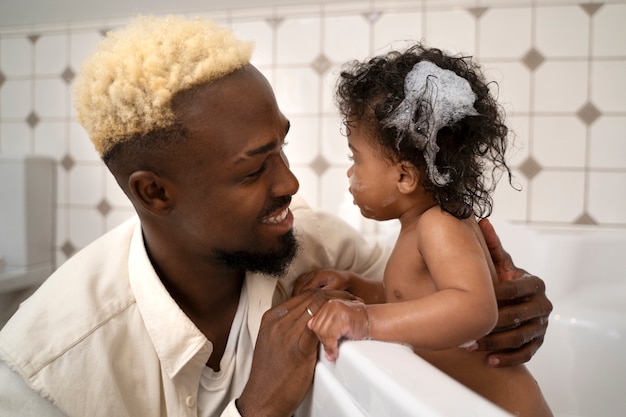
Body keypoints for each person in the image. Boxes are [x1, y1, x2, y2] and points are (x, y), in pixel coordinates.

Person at [0, 16, 552, 417]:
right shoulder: (47, 374)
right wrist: (256, 411)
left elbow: (429, 297)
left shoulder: (314, 246)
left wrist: (512, 310)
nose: (290, 183)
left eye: (282, 149)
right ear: (155, 193)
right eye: (252, 171)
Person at [295, 44, 553, 416]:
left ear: (403, 176)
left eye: (356, 158)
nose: (351, 173)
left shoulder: (439, 224)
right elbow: (413, 301)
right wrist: (357, 287)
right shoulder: (418, 226)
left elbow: (474, 309)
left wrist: (367, 321)